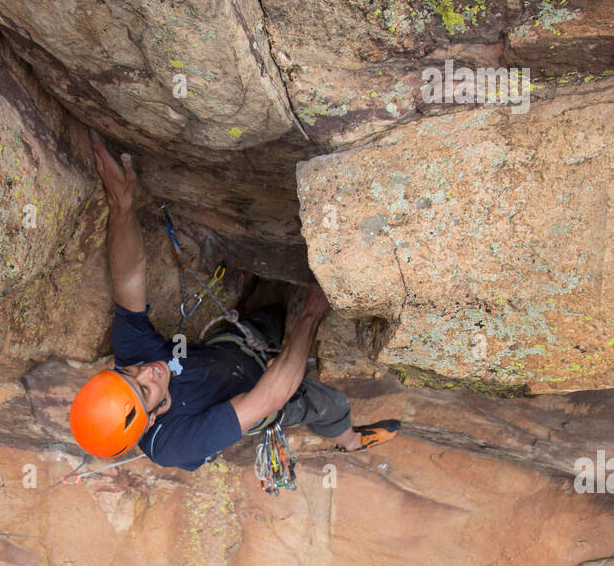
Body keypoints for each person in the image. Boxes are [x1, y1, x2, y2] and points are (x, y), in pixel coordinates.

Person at [67, 129, 401, 470]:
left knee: (271, 305)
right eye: (145, 390)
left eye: (129, 373)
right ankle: (352, 441)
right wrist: (312, 314)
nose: (148, 372)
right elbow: (271, 396)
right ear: (151, 420)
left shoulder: (135, 358)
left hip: (234, 348)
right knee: (329, 404)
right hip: (255, 394)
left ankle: (276, 327)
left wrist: (121, 206)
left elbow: (128, 278)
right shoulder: (175, 443)